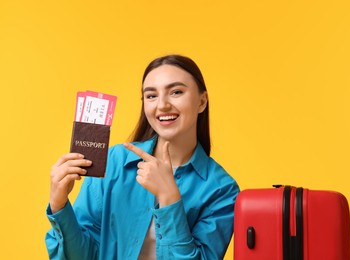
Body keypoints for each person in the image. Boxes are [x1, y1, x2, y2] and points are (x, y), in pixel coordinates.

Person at [45, 54, 240, 259]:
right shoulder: (113, 162)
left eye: (176, 92)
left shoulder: (222, 190)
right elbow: (83, 256)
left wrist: (170, 199)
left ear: (202, 102)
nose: (162, 105)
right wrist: (59, 205)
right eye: (151, 96)